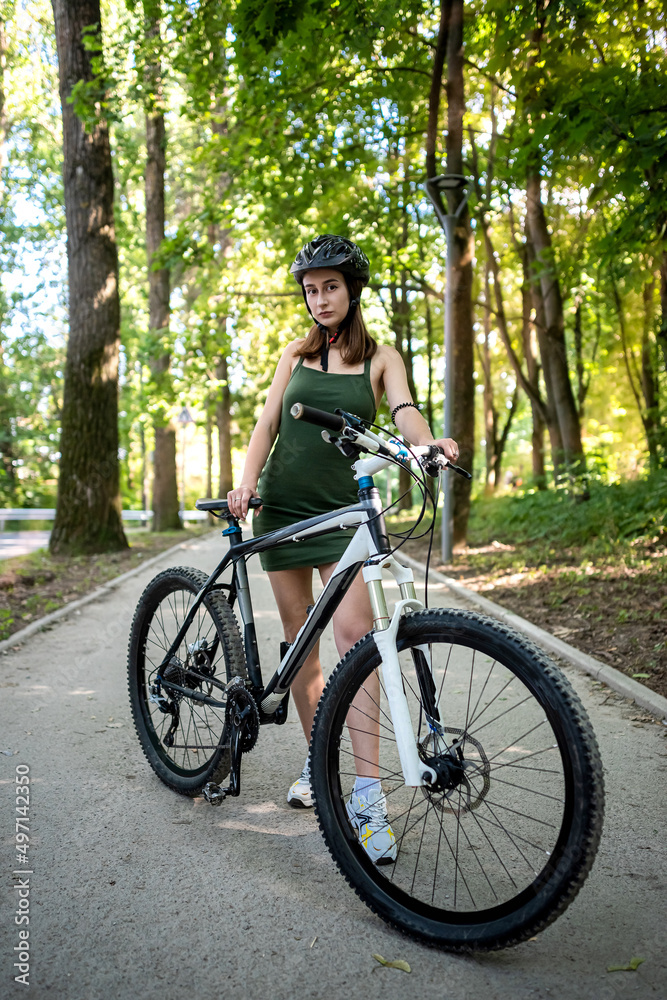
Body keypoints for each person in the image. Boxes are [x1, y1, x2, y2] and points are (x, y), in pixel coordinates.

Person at [227, 234, 458, 863]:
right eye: (310, 289)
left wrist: (428, 442)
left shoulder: (381, 357)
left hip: (343, 511)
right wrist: (246, 482)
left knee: (356, 638)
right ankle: (314, 764)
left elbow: (406, 411)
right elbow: (266, 424)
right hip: (283, 507)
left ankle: (367, 796)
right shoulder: (294, 354)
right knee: (301, 646)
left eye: (330, 287)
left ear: (351, 290)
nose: (320, 298)